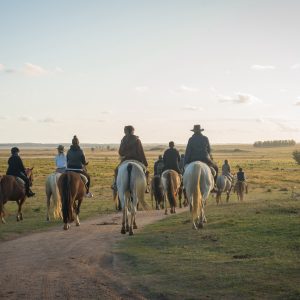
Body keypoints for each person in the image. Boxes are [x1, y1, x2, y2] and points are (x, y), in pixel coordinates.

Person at [112, 125, 149, 191]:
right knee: (146, 172)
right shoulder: (137, 140)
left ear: (126, 131)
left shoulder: (123, 140)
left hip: (125, 160)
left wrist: (125, 154)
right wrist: (146, 163)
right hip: (137, 160)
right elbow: (141, 152)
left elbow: (120, 152)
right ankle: (146, 186)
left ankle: (115, 184)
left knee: (116, 170)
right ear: (132, 131)